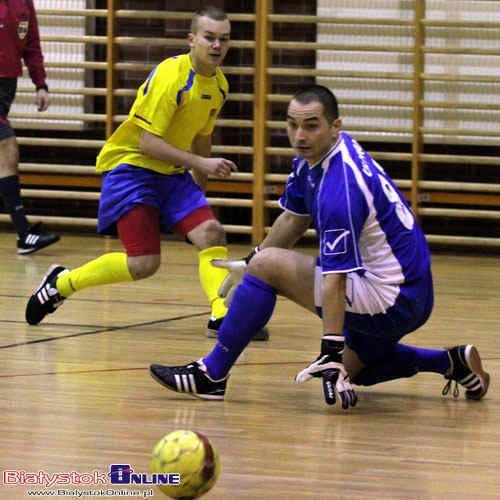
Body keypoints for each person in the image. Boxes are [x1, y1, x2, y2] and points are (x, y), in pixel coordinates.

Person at [149, 84, 490, 408]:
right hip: (411, 291)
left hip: (392, 298)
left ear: (334, 126)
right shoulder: (318, 156)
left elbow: (335, 278)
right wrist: (251, 260)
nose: (300, 136)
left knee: (271, 269)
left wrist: (330, 350)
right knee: (361, 370)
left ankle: (212, 374)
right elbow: (292, 219)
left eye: (311, 126)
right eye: (293, 125)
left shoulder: (338, 187)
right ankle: (452, 362)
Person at [24, 5, 268, 340]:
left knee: (211, 232)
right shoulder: (172, 77)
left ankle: (221, 314)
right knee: (143, 264)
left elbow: (202, 138)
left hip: (172, 174)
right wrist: (200, 164)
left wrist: (199, 189)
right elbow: (148, 143)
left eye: (224, 40)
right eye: (209, 38)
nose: (217, 46)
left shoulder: (220, 85)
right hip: (132, 169)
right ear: (191, 39)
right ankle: (61, 283)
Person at [0, 0, 59, 254]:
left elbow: (31, 43)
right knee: (7, 147)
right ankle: (24, 233)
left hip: (5, 88)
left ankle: (24, 234)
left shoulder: (24, 3)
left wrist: (41, 83)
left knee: (5, 156)